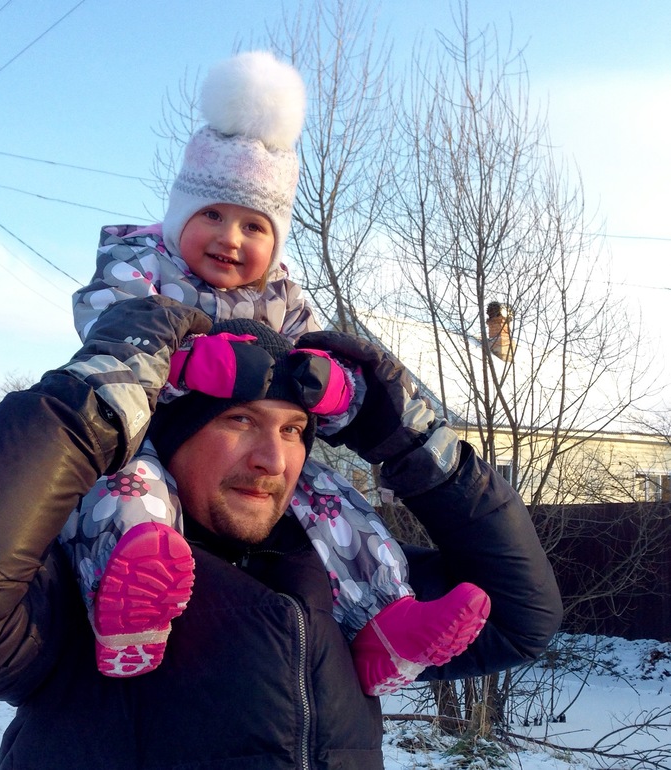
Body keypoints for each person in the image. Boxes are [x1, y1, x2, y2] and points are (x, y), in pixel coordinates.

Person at [0, 302, 562, 769]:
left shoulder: (340, 580)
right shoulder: (78, 578)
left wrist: (418, 443)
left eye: (293, 430)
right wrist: (96, 395)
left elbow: (519, 617)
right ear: (171, 432)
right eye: (240, 420)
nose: (273, 460)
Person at [64, 49, 487, 694]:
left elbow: (314, 361)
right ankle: (130, 609)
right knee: (126, 491)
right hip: (148, 431)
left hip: (248, 440)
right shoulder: (141, 263)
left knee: (334, 502)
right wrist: (183, 360)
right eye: (212, 215)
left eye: (254, 225)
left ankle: (384, 623)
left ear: (276, 239)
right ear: (180, 215)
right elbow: (107, 331)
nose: (230, 238)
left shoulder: (282, 297)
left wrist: (333, 388)